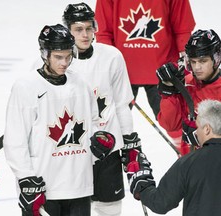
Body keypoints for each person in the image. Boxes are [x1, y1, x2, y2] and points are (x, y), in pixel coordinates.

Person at [3, 24, 116, 216]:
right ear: (44, 54)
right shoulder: (26, 87)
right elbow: (15, 140)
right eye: (58, 57)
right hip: (43, 187)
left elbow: (95, 122)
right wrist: (26, 178)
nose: (64, 62)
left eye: (68, 56)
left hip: (79, 184)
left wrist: (101, 138)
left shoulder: (80, 83)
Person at [62, 3, 139, 216]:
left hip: (109, 148)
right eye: (78, 29)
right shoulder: (60, 64)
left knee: (110, 209)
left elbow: (122, 105)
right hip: (74, 152)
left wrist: (129, 142)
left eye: (89, 27)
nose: (85, 34)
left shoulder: (112, 57)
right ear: (68, 30)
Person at [94, 0, 196, 147]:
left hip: (163, 70)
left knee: (175, 124)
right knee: (110, 125)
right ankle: (188, 154)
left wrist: (186, 61)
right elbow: (102, 30)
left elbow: (182, 26)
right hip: (124, 72)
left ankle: (189, 154)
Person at [125, 99, 221, 215]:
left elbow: (160, 203)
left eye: (197, 127)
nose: (195, 132)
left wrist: (142, 185)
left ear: (207, 129)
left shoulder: (189, 163)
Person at [156, 29, 221, 155]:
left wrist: (208, 138)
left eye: (203, 61)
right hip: (191, 160)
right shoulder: (187, 83)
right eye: (193, 62)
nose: (197, 67)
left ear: (216, 59)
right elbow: (171, 125)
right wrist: (169, 92)